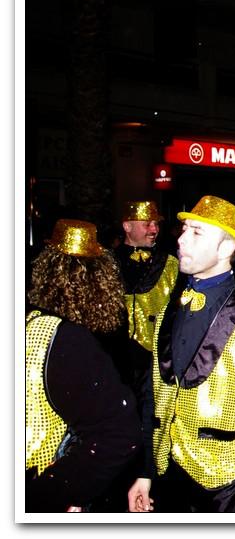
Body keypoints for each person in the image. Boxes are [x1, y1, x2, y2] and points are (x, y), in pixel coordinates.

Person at [127, 195, 235, 513]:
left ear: (226, 249)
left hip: (230, 486)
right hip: (168, 476)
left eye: (197, 232)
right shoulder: (167, 312)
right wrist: (145, 471)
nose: (182, 239)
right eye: (184, 229)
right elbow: (153, 399)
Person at [26, 219, 142, 512]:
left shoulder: (58, 334)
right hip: (93, 469)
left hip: (81, 470)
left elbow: (117, 428)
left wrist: (55, 492)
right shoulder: (104, 324)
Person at [114, 200, 179, 399]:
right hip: (116, 355)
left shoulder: (170, 263)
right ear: (127, 226)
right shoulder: (107, 262)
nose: (154, 229)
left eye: (156, 224)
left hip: (155, 357)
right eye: (147, 224)